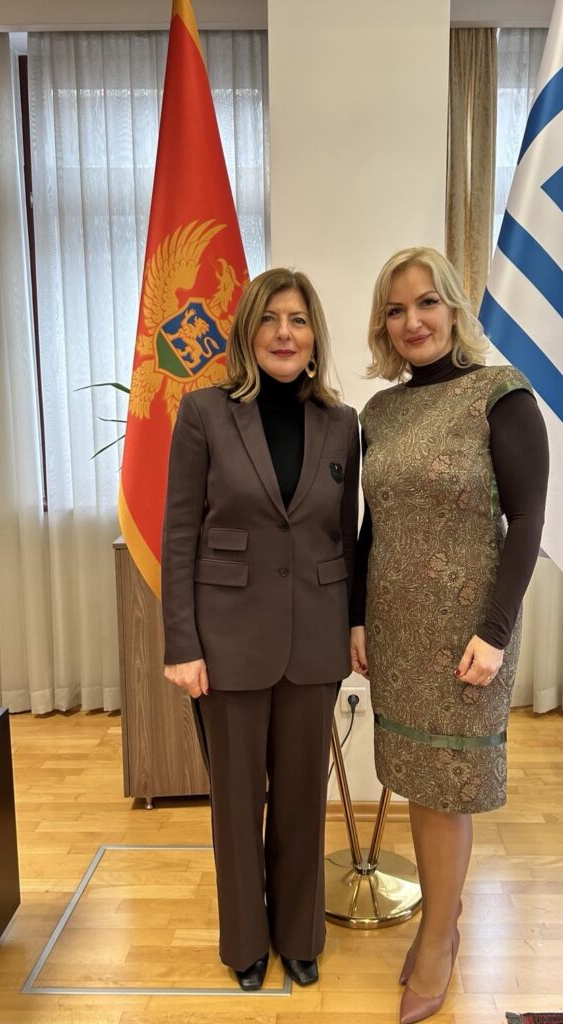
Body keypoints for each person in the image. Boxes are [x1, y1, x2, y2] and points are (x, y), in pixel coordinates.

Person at [350, 247, 548, 1024]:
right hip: (396, 627)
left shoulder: (501, 394)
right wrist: (356, 618)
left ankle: (437, 938)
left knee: (445, 787)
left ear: (454, 308)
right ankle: (444, 914)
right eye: (396, 309)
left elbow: (526, 521)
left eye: (426, 302)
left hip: (470, 629)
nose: (413, 321)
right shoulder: (379, 413)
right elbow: (370, 530)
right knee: (415, 776)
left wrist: (494, 632)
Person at [162, 268, 359, 992]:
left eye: (298, 319)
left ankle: (299, 936)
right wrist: (181, 643)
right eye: (270, 319)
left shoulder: (342, 422)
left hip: (314, 639)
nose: (284, 332)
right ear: (247, 332)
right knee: (237, 803)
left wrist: (354, 623)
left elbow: (345, 535)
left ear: (314, 337)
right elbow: (178, 533)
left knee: (304, 799)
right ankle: (245, 941)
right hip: (227, 642)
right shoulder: (204, 413)